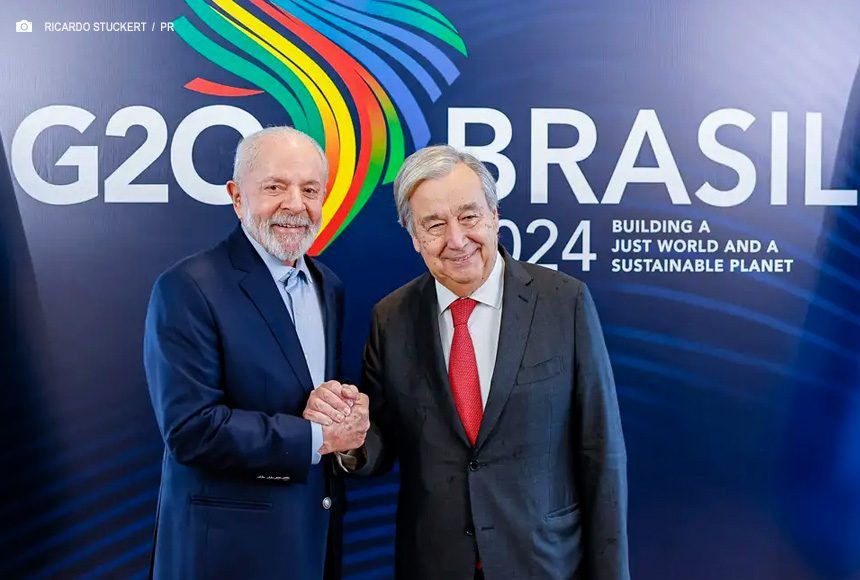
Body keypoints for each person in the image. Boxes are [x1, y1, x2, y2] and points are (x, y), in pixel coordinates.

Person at [317, 145, 629, 579]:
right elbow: (381, 446)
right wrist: (350, 438)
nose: (457, 240)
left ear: (494, 216)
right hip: (434, 565)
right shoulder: (391, 318)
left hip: (545, 563)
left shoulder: (565, 302)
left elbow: (600, 451)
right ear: (414, 236)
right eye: (434, 225)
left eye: (469, 216)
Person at [143, 126, 369, 579]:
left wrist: (346, 415)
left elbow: (313, 400)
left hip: (311, 545)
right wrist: (320, 438)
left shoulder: (328, 286)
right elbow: (191, 429)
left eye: (310, 190)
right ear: (236, 196)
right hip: (225, 556)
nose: (295, 205)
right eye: (275, 187)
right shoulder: (187, 288)